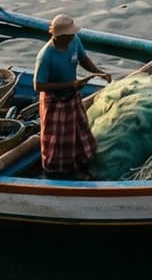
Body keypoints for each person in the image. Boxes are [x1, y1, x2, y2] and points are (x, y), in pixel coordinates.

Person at [35, 13, 111, 178]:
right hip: (54, 101)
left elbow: (83, 59)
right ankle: (56, 172)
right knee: (57, 141)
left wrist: (99, 73)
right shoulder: (45, 56)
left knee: (80, 130)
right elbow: (38, 85)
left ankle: (82, 161)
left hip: (72, 96)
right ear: (60, 36)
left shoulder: (74, 41)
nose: (73, 36)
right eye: (69, 34)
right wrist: (70, 84)